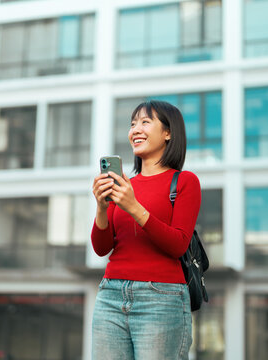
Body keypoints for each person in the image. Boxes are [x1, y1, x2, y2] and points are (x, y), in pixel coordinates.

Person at [90, 100, 201, 360]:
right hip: (110, 295)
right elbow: (102, 248)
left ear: (168, 133)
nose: (135, 130)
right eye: (132, 124)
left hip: (161, 299)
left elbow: (178, 244)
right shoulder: (126, 184)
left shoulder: (185, 182)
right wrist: (101, 208)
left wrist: (133, 206)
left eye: (145, 122)